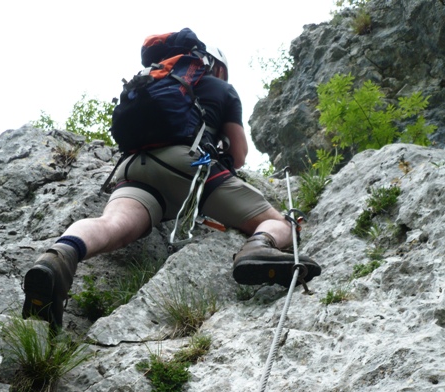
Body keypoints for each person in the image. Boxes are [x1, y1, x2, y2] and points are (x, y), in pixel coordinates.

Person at [22, 29, 321, 330]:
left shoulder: (152, 81)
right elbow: (240, 155)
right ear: (213, 64)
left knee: (111, 225)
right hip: (184, 165)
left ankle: (60, 257)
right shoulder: (220, 88)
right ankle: (258, 247)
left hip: (132, 168)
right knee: (283, 223)